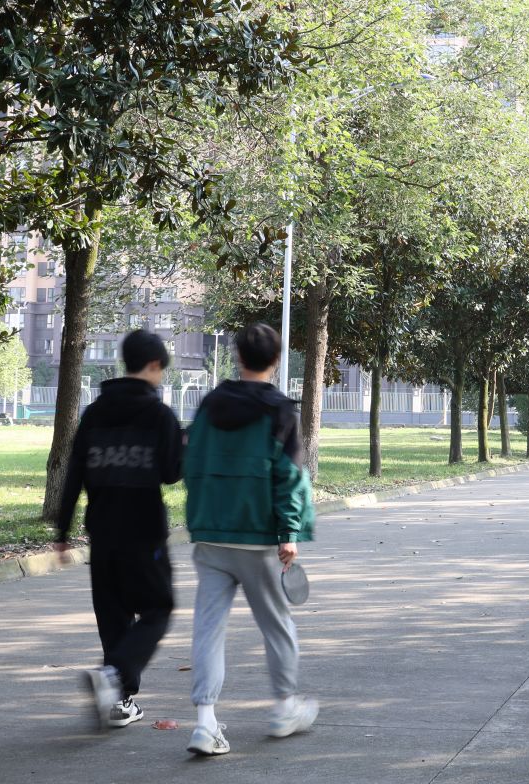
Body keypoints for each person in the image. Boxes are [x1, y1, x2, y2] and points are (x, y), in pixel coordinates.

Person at [181, 323, 317, 756]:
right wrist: (289, 532)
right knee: (277, 626)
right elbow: (289, 478)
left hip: (211, 537)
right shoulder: (280, 412)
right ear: (276, 360)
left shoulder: (210, 404)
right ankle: (284, 708)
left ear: (237, 357)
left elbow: (191, 459)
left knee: (208, 630)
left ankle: (205, 723)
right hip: (258, 540)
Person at [53, 329, 184, 731]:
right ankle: (115, 676)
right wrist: (182, 443)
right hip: (144, 531)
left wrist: (62, 531)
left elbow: (74, 473)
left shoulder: (94, 413)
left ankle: (119, 701)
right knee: (158, 608)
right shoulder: (159, 415)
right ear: (154, 365)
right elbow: (171, 473)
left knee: (113, 616)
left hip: (103, 530)